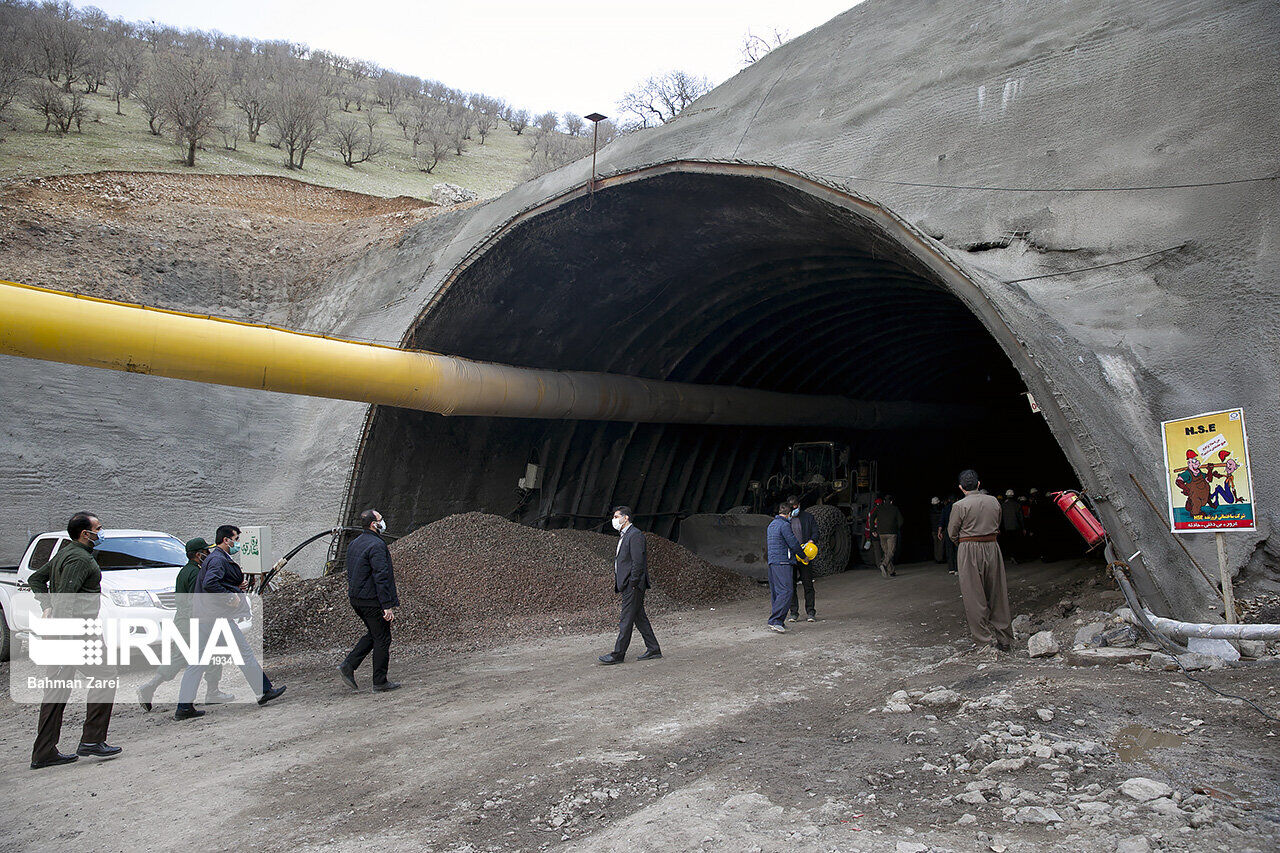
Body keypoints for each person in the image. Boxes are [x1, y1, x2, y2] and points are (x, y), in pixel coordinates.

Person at [29, 512, 121, 769]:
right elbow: (67, 600)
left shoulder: (66, 552)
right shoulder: (79, 559)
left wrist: (46, 605)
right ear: (85, 534)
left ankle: (44, 752)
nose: (102, 532)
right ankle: (91, 740)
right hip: (77, 632)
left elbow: (36, 578)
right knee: (105, 676)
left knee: (56, 691)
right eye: (99, 528)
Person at [175, 525, 286, 719]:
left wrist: (234, 585)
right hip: (215, 617)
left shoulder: (216, 558)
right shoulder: (218, 558)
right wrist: (229, 596)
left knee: (198, 661)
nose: (238, 543)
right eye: (236, 539)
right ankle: (263, 691)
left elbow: (214, 581)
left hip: (206, 616)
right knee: (243, 652)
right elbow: (210, 583)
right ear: (226, 540)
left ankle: (184, 707)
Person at [137, 538, 231, 711]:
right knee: (204, 654)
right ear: (198, 555)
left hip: (184, 621)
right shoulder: (196, 573)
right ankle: (211, 692)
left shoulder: (185, 571)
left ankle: (151, 687)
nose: (209, 555)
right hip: (193, 621)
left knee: (183, 657)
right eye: (206, 552)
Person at [948, 470, 1013, 651]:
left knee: (974, 596)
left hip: (968, 548)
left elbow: (952, 533)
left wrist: (964, 543)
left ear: (961, 487)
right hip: (992, 546)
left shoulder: (959, 506)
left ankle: (984, 641)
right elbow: (998, 523)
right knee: (997, 592)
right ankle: (1005, 639)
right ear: (978, 484)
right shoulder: (993, 501)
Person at [339, 509, 401, 691]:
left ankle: (349, 665)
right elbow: (381, 576)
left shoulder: (355, 543)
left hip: (357, 598)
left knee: (374, 634)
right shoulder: (377, 546)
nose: (383, 522)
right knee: (382, 638)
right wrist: (387, 605)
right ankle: (379, 681)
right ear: (374, 524)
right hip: (372, 600)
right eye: (381, 519)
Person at [599, 507, 661, 664]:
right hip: (629, 584)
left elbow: (638, 562)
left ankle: (618, 654)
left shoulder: (635, 535)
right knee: (639, 618)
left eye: (616, 516)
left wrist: (632, 582)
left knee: (626, 619)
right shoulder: (626, 535)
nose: (614, 520)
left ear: (625, 518)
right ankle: (654, 649)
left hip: (632, 585)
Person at [765, 501, 804, 633]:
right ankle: (775, 621)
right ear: (788, 514)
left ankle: (778, 620)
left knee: (777, 592)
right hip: (783, 562)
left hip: (773, 562)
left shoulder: (771, 525)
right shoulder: (784, 525)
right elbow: (793, 543)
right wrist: (803, 556)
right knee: (786, 591)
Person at [786, 496, 818, 622]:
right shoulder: (786, 520)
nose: (794, 509)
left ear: (799, 505)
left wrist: (812, 540)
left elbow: (816, 532)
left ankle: (810, 612)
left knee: (808, 584)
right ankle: (794, 612)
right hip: (791, 557)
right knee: (791, 586)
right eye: (791, 507)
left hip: (804, 556)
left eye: (795, 506)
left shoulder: (808, 518)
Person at [875, 495, 904, 577]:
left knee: (886, 552)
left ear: (884, 501)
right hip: (891, 533)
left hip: (881, 534)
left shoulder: (879, 508)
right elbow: (901, 521)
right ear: (891, 501)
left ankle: (891, 571)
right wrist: (895, 528)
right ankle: (883, 564)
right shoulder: (895, 509)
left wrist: (874, 529)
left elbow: (871, 517)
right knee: (891, 551)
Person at [1000, 489, 1023, 564]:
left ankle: (1011, 556)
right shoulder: (1017, 505)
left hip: (1007, 527)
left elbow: (1001, 517)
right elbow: (1020, 517)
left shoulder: (1003, 505)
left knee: (1009, 542)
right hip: (1016, 527)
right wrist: (1023, 527)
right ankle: (1015, 557)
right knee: (1016, 542)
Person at [941, 496, 959, 574]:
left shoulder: (945, 509)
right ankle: (957, 568)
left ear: (948, 500)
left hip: (948, 530)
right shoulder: (958, 507)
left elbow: (942, 520)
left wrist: (940, 531)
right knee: (956, 550)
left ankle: (951, 568)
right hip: (957, 530)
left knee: (949, 549)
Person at [929, 497, 945, 564]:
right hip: (940, 529)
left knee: (936, 544)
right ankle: (940, 558)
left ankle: (936, 558)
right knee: (940, 544)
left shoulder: (931, 511)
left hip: (934, 529)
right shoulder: (941, 511)